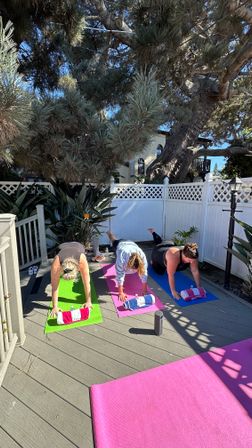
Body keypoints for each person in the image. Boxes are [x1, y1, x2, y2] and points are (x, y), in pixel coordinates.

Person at [148, 228, 201, 300]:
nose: (192, 262)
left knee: (162, 243)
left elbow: (195, 271)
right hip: (158, 253)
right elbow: (171, 275)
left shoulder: (192, 254)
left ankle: (154, 233)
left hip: (170, 245)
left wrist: (199, 287)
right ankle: (152, 261)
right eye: (189, 260)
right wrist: (173, 292)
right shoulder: (174, 257)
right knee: (159, 272)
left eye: (193, 260)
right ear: (184, 255)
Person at [50, 241, 92, 317]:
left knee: (86, 278)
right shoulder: (57, 262)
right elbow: (54, 286)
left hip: (78, 245)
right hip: (62, 246)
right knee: (54, 277)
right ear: (61, 269)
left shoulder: (82, 260)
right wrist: (55, 307)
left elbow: (86, 282)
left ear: (78, 268)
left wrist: (89, 302)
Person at [107, 231, 148, 302]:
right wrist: (121, 293)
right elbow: (120, 274)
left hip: (132, 244)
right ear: (128, 263)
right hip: (121, 244)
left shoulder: (142, 257)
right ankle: (109, 233)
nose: (133, 271)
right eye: (132, 269)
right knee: (113, 240)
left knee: (141, 271)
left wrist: (144, 290)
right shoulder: (122, 256)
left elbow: (144, 273)